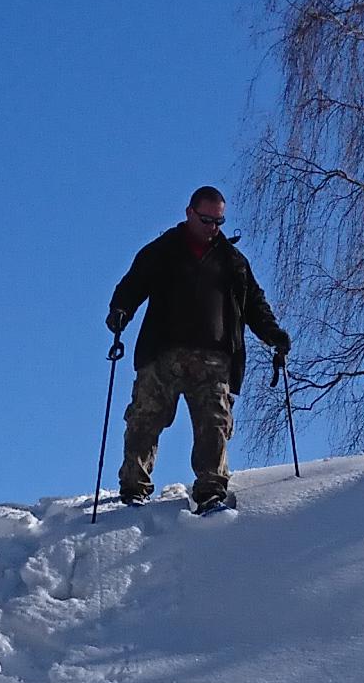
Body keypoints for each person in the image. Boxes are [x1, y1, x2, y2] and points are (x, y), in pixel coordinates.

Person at [106, 185, 290, 516]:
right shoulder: (162, 251)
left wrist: (274, 335)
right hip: (162, 353)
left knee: (214, 422)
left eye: (219, 222)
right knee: (144, 417)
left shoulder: (233, 261)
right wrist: (120, 311)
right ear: (189, 213)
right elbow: (132, 284)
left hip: (215, 359)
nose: (212, 228)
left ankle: (211, 491)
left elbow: (255, 305)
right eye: (206, 220)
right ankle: (134, 488)